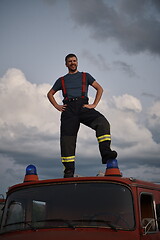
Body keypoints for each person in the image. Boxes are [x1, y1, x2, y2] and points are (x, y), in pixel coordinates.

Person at [47, 53, 117, 178]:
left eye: (74, 61)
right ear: (66, 64)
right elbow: (50, 94)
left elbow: (99, 89)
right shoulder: (61, 80)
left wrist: (94, 104)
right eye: (70, 61)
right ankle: (68, 171)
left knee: (103, 123)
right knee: (67, 141)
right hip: (68, 110)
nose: (72, 63)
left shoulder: (86, 76)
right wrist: (57, 106)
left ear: (77, 62)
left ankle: (106, 153)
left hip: (83, 107)